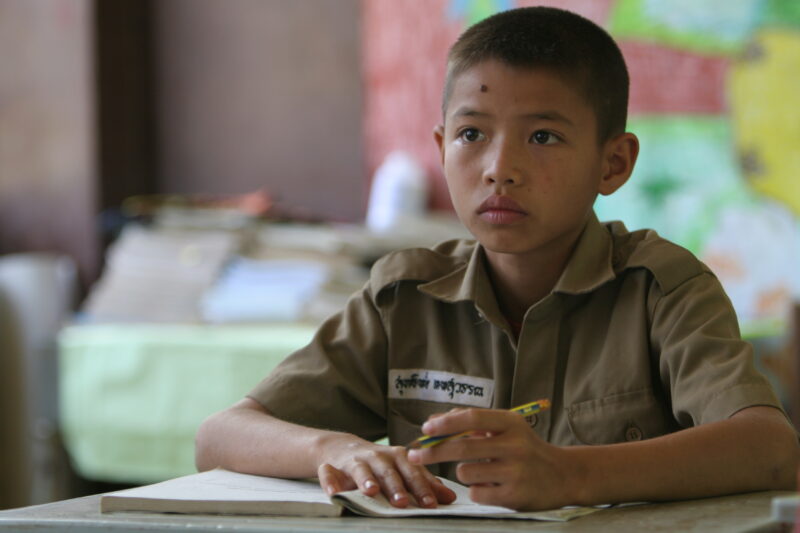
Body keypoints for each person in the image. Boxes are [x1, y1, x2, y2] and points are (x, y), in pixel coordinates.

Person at [195, 6, 799, 511]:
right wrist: (331, 449)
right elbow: (220, 435)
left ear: (613, 163)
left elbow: (771, 449)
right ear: (440, 149)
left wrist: (568, 474)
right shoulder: (404, 296)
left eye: (542, 137)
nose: (498, 169)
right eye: (471, 134)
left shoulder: (662, 288)